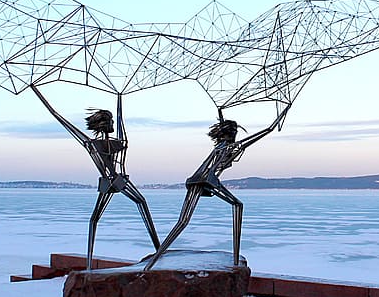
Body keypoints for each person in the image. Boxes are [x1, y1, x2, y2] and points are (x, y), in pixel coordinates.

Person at [144, 105, 291, 270]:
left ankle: (153, 262)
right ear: (230, 133)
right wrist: (278, 120)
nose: (236, 134)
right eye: (234, 131)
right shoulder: (229, 147)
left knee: (184, 220)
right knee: (185, 221)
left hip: (199, 179)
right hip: (206, 179)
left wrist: (221, 111)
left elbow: (224, 127)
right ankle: (152, 263)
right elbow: (261, 134)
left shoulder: (220, 146)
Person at [30, 85, 160, 269]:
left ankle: (158, 251)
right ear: (104, 124)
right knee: (104, 216)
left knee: (110, 214)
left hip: (114, 181)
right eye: (111, 122)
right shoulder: (98, 143)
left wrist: (119, 98)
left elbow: (120, 123)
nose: (113, 125)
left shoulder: (106, 143)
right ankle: (92, 264)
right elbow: (63, 120)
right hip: (115, 180)